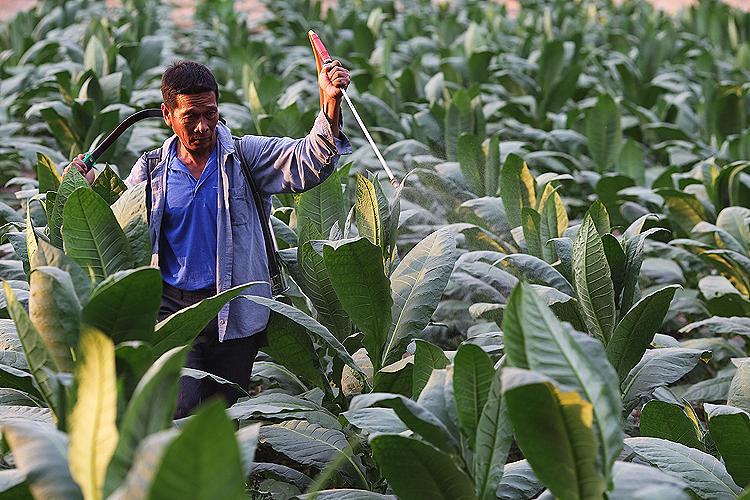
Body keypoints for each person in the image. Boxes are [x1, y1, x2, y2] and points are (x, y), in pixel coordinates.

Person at [65, 60, 352, 418]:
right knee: (180, 407)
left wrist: (329, 103)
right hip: (172, 311)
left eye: (210, 113)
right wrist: (85, 189)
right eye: (190, 116)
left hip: (232, 307)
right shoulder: (152, 170)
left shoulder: (246, 156)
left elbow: (309, 159)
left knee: (220, 413)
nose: (202, 126)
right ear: (168, 114)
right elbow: (118, 231)